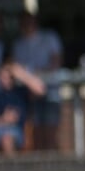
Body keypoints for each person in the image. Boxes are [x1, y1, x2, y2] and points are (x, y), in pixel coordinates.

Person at [13, 11, 62, 150]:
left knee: (51, 133)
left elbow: (56, 62)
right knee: (35, 135)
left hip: (50, 92)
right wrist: (31, 82)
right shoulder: (19, 45)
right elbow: (18, 69)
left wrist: (38, 77)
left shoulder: (49, 38)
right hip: (30, 96)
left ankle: (53, 167)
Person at [0, 55, 45, 153]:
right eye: (3, 76)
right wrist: (3, 119)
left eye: (9, 76)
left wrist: (21, 74)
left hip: (16, 132)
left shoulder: (20, 92)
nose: (6, 79)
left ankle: (10, 167)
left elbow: (41, 90)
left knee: (6, 139)